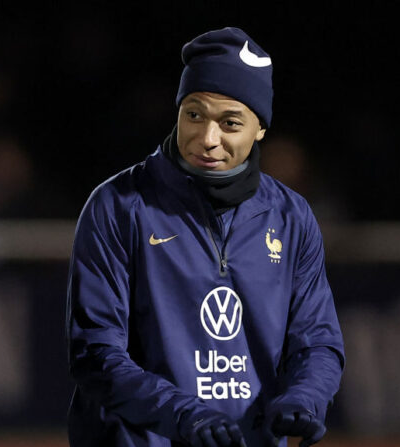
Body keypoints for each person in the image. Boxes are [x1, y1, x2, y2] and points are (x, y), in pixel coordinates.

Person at [66, 27, 344, 447]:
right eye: (194, 114)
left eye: (230, 123)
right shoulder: (119, 206)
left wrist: (305, 397)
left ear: (260, 129)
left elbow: (317, 340)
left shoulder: (291, 217)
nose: (207, 138)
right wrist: (183, 415)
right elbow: (96, 354)